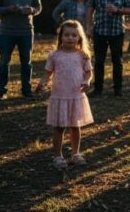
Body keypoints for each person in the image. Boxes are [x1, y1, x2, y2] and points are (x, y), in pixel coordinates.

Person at [34, 20, 94, 169]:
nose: (70, 38)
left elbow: (88, 73)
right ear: (60, 37)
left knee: (75, 126)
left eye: (74, 35)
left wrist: (87, 82)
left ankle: (75, 153)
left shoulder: (83, 55)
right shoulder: (54, 55)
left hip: (76, 96)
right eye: (66, 35)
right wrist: (42, 83)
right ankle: (58, 156)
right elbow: (47, 73)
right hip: (60, 96)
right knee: (59, 127)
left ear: (79, 38)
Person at [0, 0, 42, 100]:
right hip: (7, 32)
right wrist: (8, 9)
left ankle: (26, 90)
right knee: (4, 62)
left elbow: (38, 7)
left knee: (26, 62)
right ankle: (2, 91)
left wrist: (32, 10)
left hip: (26, 31)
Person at [86, 0, 130, 98]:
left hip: (116, 31)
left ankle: (118, 89)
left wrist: (117, 10)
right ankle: (98, 88)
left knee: (117, 61)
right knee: (99, 61)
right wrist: (89, 26)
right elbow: (90, 8)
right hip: (100, 30)